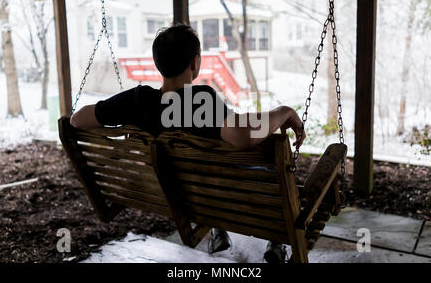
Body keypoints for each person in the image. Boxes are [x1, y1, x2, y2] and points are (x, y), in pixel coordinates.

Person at [71, 24, 306, 263]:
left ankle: (216, 228)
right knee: (268, 174)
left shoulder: (136, 100)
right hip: (222, 195)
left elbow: (77, 120)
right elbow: (243, 135)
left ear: (158, 63)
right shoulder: (200, 101)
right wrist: (284, 111)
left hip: (179, 197)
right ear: (195, 63)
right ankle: (276, 240)